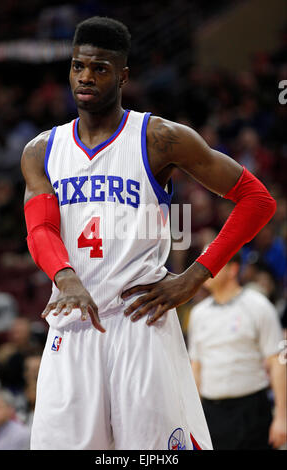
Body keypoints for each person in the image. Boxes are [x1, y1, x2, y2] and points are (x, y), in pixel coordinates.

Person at [21, 17, 276, 450]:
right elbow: (40, 227)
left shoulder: (159, 138)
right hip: (73, 325)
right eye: (78, 66)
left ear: (122, 75)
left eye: (100, 68)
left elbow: (257, 200)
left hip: (140, 321)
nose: (86, 76)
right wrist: (65, 277)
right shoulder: (42, 150)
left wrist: (195, 277)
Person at [188, 253, 286, 450]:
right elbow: (195, 368)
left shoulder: (258, 305)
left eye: (213, 262)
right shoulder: (198, 314)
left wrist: (282, 417)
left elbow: (278, 362)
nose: (204, 269)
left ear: (233, 269)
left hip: (251, 411)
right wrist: (192, 419)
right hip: (212, 413)